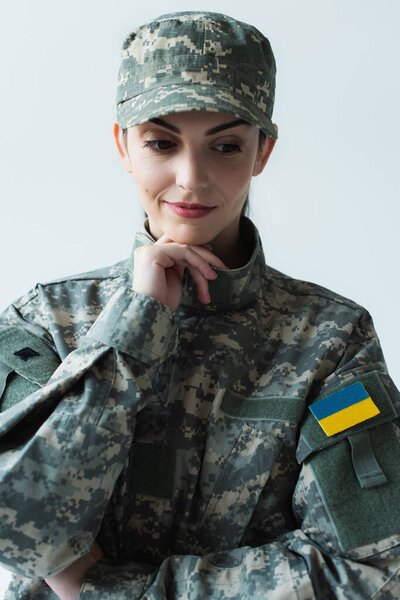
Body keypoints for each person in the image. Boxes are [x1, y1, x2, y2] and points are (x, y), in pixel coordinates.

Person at [0, 9, 399, 600]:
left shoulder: (331, 338)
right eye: (161, 141)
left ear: (262, 151)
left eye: (227, 145)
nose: (191, 178)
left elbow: (371, 571)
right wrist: (132, 333)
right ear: (123, 145)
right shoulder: (47, 322)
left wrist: (107, 589)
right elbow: (15, 528)